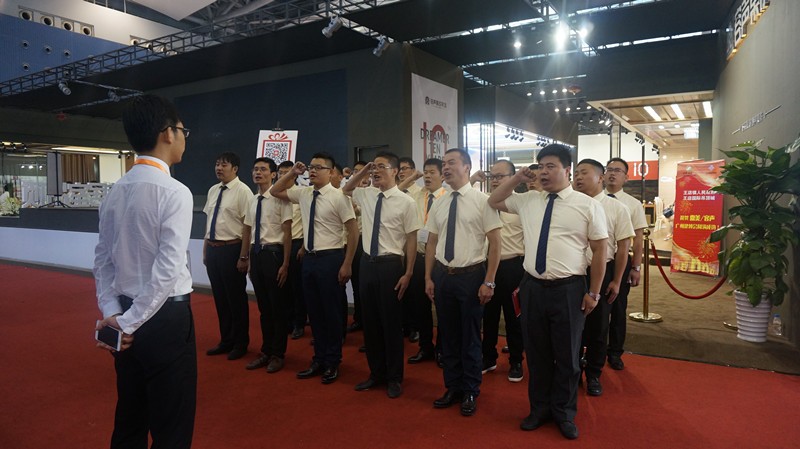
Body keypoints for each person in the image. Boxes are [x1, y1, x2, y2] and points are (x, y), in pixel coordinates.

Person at [94, 94, 196, 448]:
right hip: (163, 318)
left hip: (123, 312)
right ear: (167, 133)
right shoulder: (175, 192)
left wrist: (114, 314)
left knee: (130, 415)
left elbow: (102, 260)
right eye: (183, 130)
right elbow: (168, 269)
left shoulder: (114, 192)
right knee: (172, 425)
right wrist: (130, 321)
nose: (183, 138)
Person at [488, 144, 608, 440]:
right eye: (540, 166)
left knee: (567, 356)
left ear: (567, 170)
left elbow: (600, 249)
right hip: (532, 287)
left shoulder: (587, 205)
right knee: (537, 353)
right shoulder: (529, 200)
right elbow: (494, 200)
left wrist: (594, 293)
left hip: (569, 289)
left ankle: (564, 413)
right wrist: (517, 178)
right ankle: (539, 409)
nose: (543, 171)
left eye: (550, 166)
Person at [426, 148, 502, 417]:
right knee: (447, 335)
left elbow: (496, 244)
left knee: (470, 336)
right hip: (443, 275)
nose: (445, 168)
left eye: (451, 163)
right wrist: (428, 277)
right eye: (444, 164)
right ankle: (453, 387)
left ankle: (470, 389)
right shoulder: (440, 201)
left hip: (471, 276)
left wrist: (489, 281)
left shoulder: (484, 201)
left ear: (467, 167)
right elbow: (432, 242)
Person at [271, 153, 358, 384]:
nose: (313, 171)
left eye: (319, 167)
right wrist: (292, 172)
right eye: (311, 167)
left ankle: (332, 361)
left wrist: (347, 263)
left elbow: (353, 231)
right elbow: (275, 191)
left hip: (331, 258)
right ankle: (318, 359)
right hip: (309, 259)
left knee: (331, 312)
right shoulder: (304, 193)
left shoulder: (339, 196)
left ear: (331, 172)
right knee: (315, 312)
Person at [343, 152, 420, 398]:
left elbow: (411, 239)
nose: (376, 171)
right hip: (367, 264)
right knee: (371, 323)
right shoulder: (367, 194)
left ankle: (394, 377)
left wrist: (408, 272)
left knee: (391, 323)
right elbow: (346, 189)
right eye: (373, 167)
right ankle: (376, 373)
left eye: (381, 167)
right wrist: (365, 171)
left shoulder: (406, 202)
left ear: (395, 171)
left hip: (391, 265)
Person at [572, 159, 634, 395]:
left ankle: (594, 374)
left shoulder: (617, 208)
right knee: (573, 325)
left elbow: (622, 248)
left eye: (584, 173)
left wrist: (617, 280)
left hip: (602, 271)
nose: (578, 177)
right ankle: (573, 370)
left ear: (600, 177)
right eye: (576, 173)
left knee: (598, 326)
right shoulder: (570, 204)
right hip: (573, 272)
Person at [242, 157, 294, 373]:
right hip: (257, 255)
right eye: (255, 169)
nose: (258, 173)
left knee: (277, 308)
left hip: (274, 254)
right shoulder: (253, 200)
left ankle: (278, 354)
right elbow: (248, 229)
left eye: (263, 169)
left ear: (273, 174)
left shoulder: (281, 198)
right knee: (264, 308)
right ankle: (266, 350)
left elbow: (287, 233)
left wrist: (286, 264)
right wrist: (246, 258)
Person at [204, 152, 254, 361]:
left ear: (235, 169)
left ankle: (241, 343)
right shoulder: (213, 190)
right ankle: (226, 340)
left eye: (223, 165)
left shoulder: (243, 191)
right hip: (213, 250)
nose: (219, 168)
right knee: (220, 298)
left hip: (232, 249)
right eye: (217, 164)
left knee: (236, 299)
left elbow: (248, 226)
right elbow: (209, 223)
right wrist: (205, 250)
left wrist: (244, 256)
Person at [480, 160, 525, 383]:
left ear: (513, 177)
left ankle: (516, 360)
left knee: (513, 317)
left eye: (500, 176)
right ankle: (488, 357)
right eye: (492, 176)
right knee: (488, 316)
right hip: (486, 267)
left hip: (512, 267)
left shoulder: (522, 204)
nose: (495, 180)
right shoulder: (484, 203)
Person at [401, 158, 447, 365]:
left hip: (440, 260)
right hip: (418, 257)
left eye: (432, 172)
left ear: (442, 175)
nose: (427, 176)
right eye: (425, 172)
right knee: (420, 306)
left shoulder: (448, 198)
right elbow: (396, 191)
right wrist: (413, 177)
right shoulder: (416, 195)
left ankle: (443, 348)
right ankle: (425, 346)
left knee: (442, 306)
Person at [604, 157, 648, 371]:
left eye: (618, 170)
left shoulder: (633, 204)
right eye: (609, 169)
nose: (612, 174)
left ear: (626, 177)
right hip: (596, 260)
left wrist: (636, 267)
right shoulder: (593, 199)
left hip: (620, 260)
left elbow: (638, 239)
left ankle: (614, 352)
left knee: (618, 308)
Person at [278, 160, 307, 340]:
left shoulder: (301, 194)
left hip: (297, 244)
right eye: (280, 173)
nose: (283, 175)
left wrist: (304, 246)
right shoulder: (276, 195)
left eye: (287, 172)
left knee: (297, 287)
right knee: (283, 286)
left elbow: (308, 222)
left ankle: (299, 322)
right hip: (279, 245)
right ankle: (287, 320)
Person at [346, 160, 371, 335]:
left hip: (366, 242)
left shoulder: (372, 192)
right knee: (355, 283)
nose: (359, 174)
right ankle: (359, 318)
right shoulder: (350, 192)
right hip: (350, 241)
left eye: (362, 171)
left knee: (366, 285)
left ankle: (368, 320)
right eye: (355, 171)